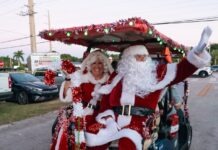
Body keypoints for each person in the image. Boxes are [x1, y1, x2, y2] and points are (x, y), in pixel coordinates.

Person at [84, 26, 212, 150]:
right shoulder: (117, 77)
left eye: (144, 57)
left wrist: (197, 53)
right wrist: (109, 119)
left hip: (140, 122)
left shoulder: (155, 74)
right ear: (128, 59)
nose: (142, 59)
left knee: (127, 142)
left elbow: (179, 71)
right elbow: (106, 101)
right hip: (114, 120)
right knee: (89, 137)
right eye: (138, 57)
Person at [50, 50, 114, 150]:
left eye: (100, 63)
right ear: (89, 65)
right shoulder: (82, 78)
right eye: (94, 63)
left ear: (105, 65)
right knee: (67, 128)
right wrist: (68, 79)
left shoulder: (111, 81)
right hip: (83, 112)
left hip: (103, 115)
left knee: (99, 136)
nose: (97, 66)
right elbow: (68, 97)